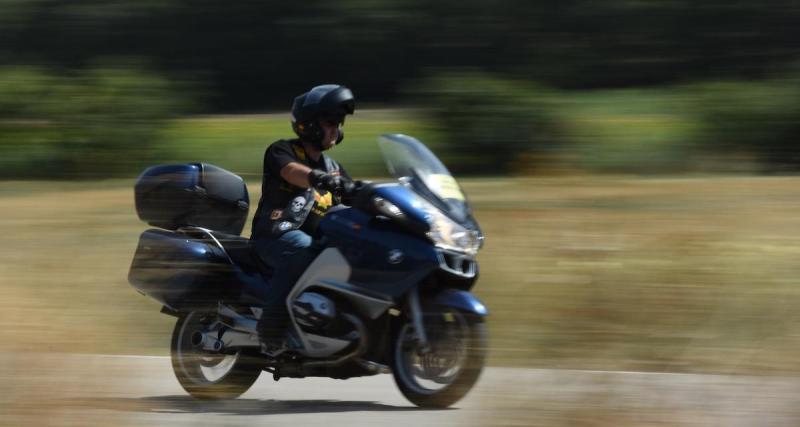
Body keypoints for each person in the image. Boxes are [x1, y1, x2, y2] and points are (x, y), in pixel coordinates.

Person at [250, 84, 355, 352]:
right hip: (276, 235)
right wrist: (316, 178)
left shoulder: (334, 169)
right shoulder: (282, 151)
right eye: (331, 122)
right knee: (303, 250)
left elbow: (354, 200)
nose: (336, 129)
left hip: (318, 240)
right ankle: (271, 328)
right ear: (309, 124)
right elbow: (291, 172)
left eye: (339, 123)